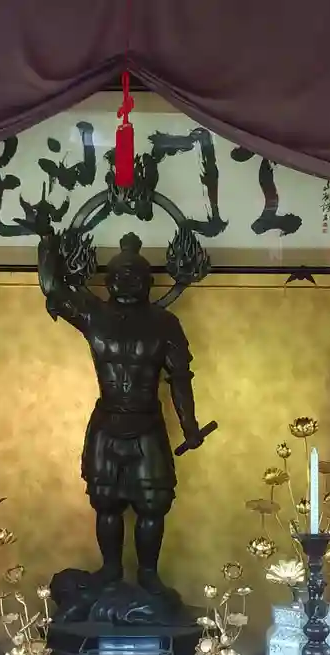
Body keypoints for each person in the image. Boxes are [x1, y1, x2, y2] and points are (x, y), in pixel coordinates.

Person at [38, 231, 208, 595]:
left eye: (135, 276)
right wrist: (47, 240)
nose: (126, 282)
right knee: (106, 502)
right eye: (119, 276)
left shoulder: (165, 323)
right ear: (108, 281)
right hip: (107, 423)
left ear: (149, 282)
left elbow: (180, 378)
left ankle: (148, 573)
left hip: (148, 424)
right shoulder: (94, 315)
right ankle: (111, 569)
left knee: (153, 504)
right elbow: (52, 287)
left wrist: (189, 425)